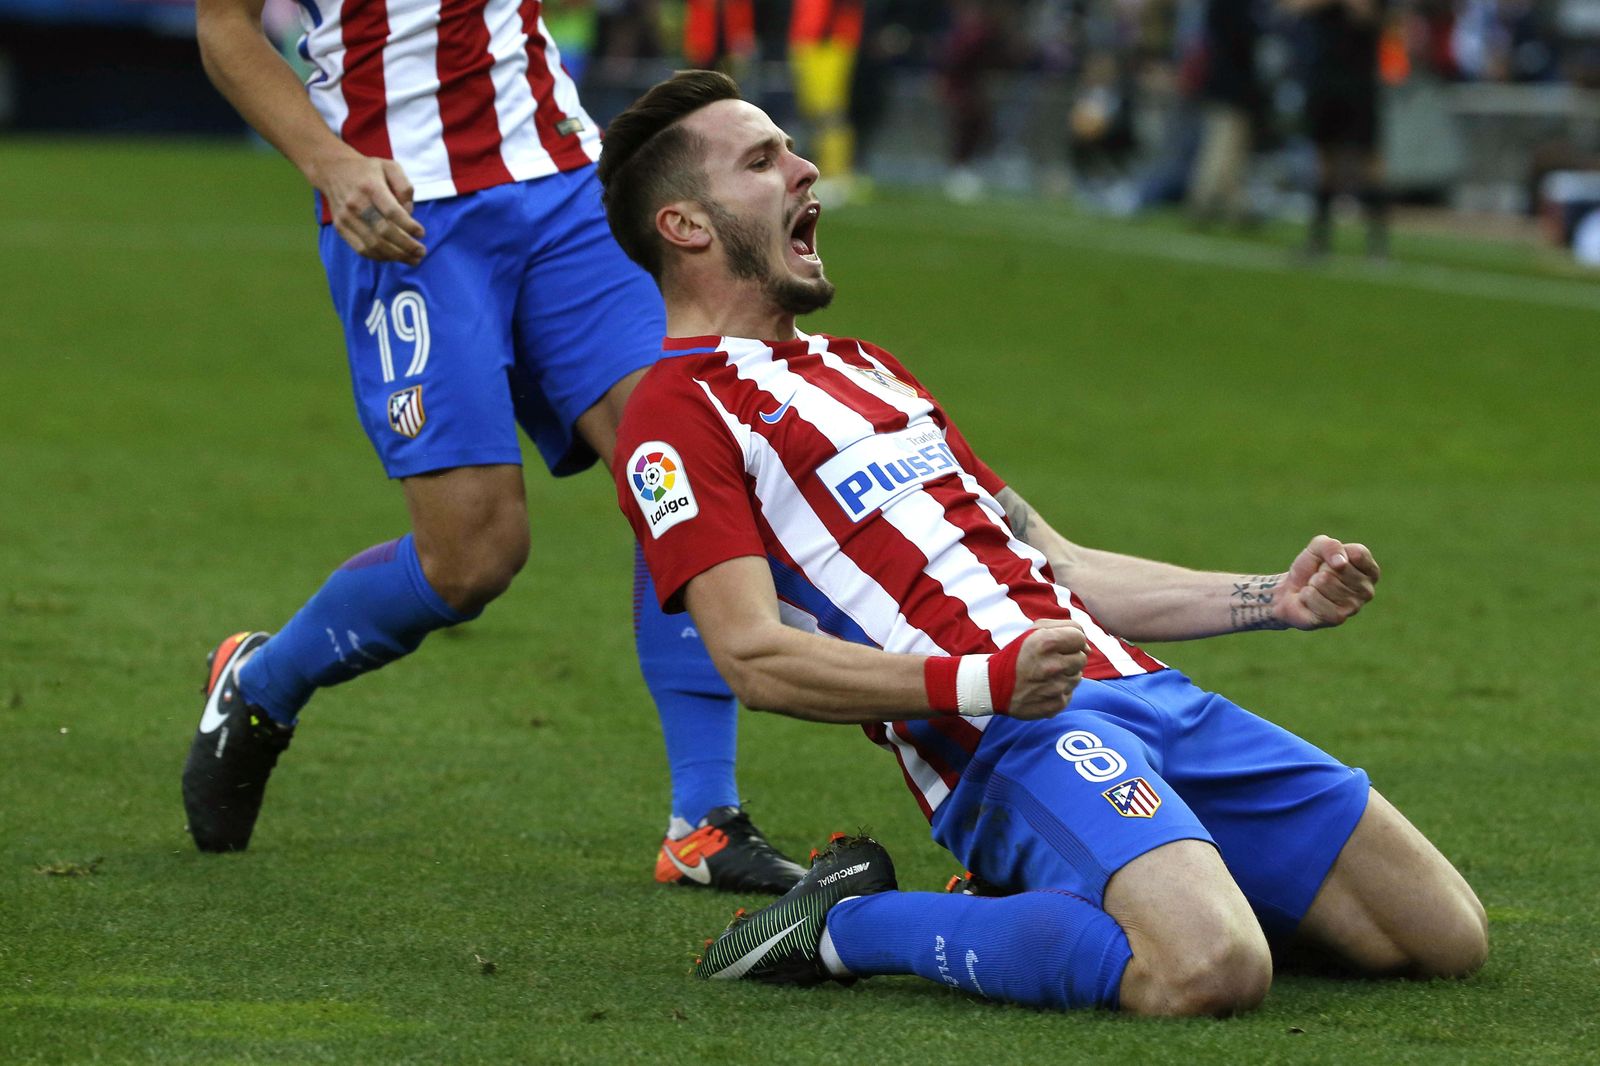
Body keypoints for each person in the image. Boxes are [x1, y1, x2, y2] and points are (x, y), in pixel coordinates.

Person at [595, 70, 1487, 1015]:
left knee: (1439, 936)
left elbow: (1057, 566)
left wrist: (1274, 597)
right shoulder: (674, 415)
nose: (805, 167)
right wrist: (986, 685)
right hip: (1010, 736)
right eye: (763, 160)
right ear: (687, 226)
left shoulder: (869, 368)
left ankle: (1076, 890)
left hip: (1148, 695)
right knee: (1210, 969)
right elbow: (753, 657)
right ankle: (844, 925)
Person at [180, 0, 805, 895]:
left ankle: (703, 820)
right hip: (403, 207)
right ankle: (263, 680)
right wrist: (331, 165)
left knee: (682, 456)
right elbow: (225, 25)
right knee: (472, 555)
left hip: (561, 185)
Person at [1286, 0, 1390, 257]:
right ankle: (1319, 240)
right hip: (1322, 78)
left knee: (1368, 161)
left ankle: (1377, 243)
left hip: (1359, 82)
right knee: (1324, 160)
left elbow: (1373, 18)